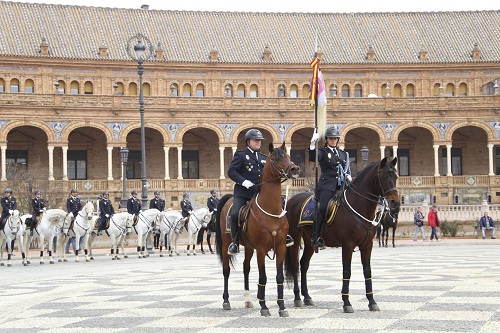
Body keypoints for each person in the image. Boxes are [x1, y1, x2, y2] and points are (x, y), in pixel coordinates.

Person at [227, 128, 294, 256]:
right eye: (255, 140)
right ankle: (235, 242)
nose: (258, 142)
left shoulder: (265, 158)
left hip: (260, 193)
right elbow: (231, 172)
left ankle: (284, 235)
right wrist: (244, 181)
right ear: (248, 142)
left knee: (282, 209)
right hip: (244, 193)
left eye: (260, 140)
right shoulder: (240, 155)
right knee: (235, 213)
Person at [309, 127, 352, 249]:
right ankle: (316, 236)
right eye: (330, 138)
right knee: (323, 207)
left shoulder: (344, 154)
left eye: (335, 138)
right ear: (327, 140)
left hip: (342, 185)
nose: (333, 140)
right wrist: (313, 143)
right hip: (327, 185)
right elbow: (313, 157)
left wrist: (348, 175)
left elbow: (346, 167)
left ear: (337, 140)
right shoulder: (322, 152)